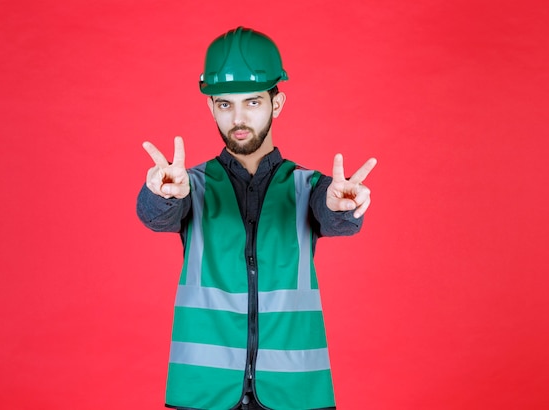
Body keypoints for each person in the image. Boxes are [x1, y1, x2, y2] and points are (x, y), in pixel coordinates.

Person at [137, 26, 377, 410]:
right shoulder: (190, 185)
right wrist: (161, 195)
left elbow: (333, 217)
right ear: (210, 107)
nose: (238, 118)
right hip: (204, 391)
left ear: (276, 104)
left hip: (294, 391)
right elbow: (157, 216)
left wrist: (340, 206)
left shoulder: (308, 186)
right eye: (225, 104)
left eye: (252, 102)